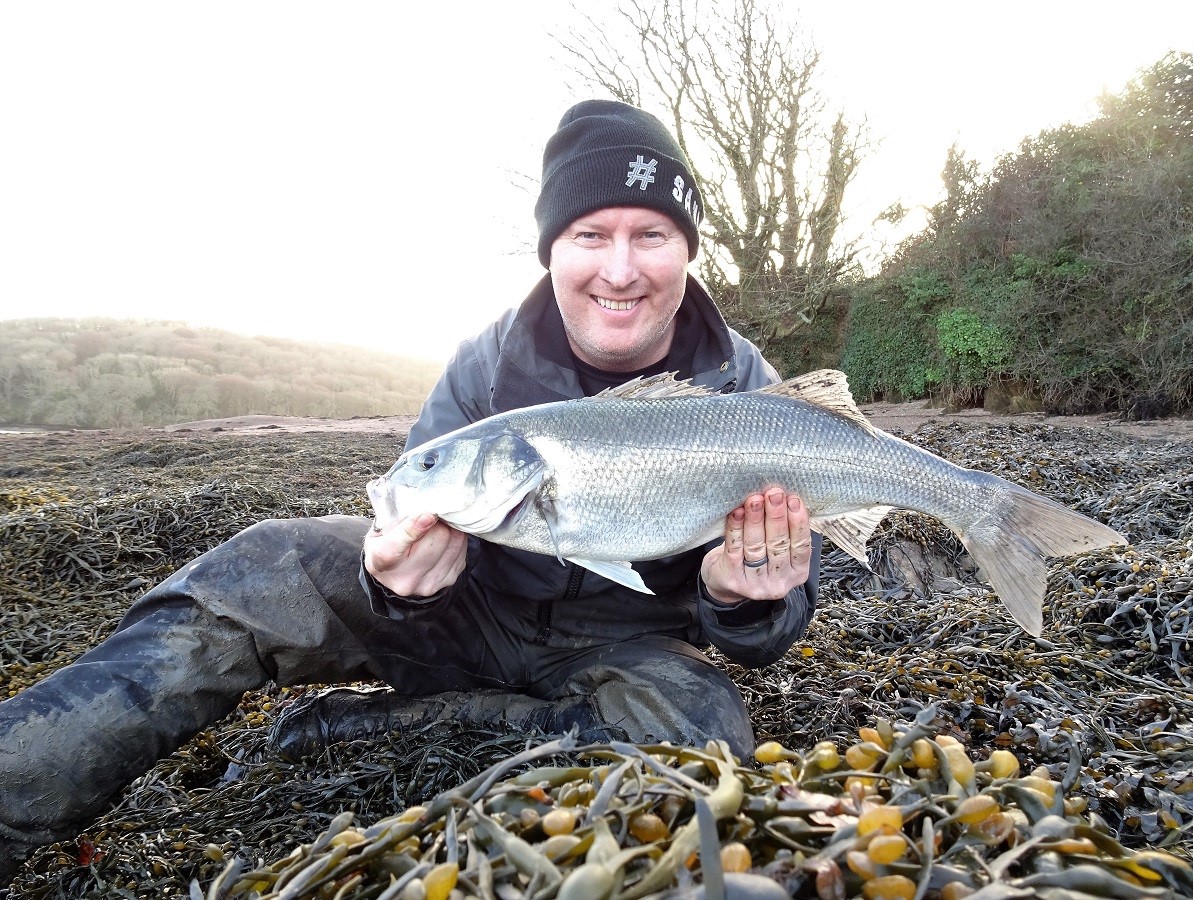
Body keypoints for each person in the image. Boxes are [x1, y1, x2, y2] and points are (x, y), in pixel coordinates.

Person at [0, 99, 819, 881]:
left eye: (651, 234)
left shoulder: (749, 389)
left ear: (687, 248)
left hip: (627, 649)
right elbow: (407, 513)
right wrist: (398, 592)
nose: (620, 268)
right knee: (263, 567)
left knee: (701, 743)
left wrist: (741, 601)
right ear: (552, 249)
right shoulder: (484, 365)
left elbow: (768, 635)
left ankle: (393, 725)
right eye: (590, 233)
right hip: (474, 615)